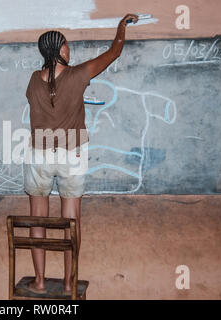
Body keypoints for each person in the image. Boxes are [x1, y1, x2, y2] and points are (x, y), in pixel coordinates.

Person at [24, 13, 139, 295]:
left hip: (39, 153)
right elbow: (113, 52)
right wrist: (121, 27)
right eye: (66, 44)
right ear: (61, 50)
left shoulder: (32, 80)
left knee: (37, 219)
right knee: (71, 221)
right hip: (71, 154)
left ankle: (39, 282)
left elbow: (45, 96)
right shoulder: (78, 75)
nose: (69, 48)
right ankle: (67, 283)